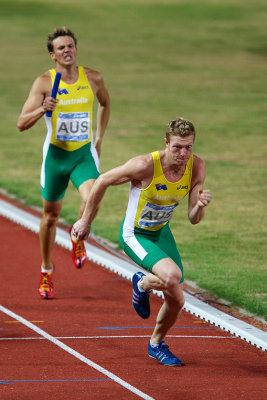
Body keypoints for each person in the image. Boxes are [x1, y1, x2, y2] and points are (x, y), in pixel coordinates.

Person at [73, 117, 211, 366]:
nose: (183, 153)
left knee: (177, 299)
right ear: (166, 143)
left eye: (188, 147)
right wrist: (85, 220)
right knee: (170, 276)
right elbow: (103, 180)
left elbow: (193, 218)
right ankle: (142, 284)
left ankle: (156, 344)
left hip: (160, 233)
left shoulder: (196, 167)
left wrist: (199, 206)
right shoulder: (145, 165)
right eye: (177, 147)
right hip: (134, 234)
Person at [17, 27, 110, 300]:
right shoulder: (44, 83)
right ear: (52, 55)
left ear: (76, 49)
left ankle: (78, 234)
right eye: (61, 48)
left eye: (70, 46)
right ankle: (47, 270)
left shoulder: (93, 78)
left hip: (82, 154)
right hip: (56, 157)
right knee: (50, 217)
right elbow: (21, 123)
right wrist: (42, 109)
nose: (67, 50)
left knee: (94, 196)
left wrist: (99, 138)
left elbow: (105, 104)